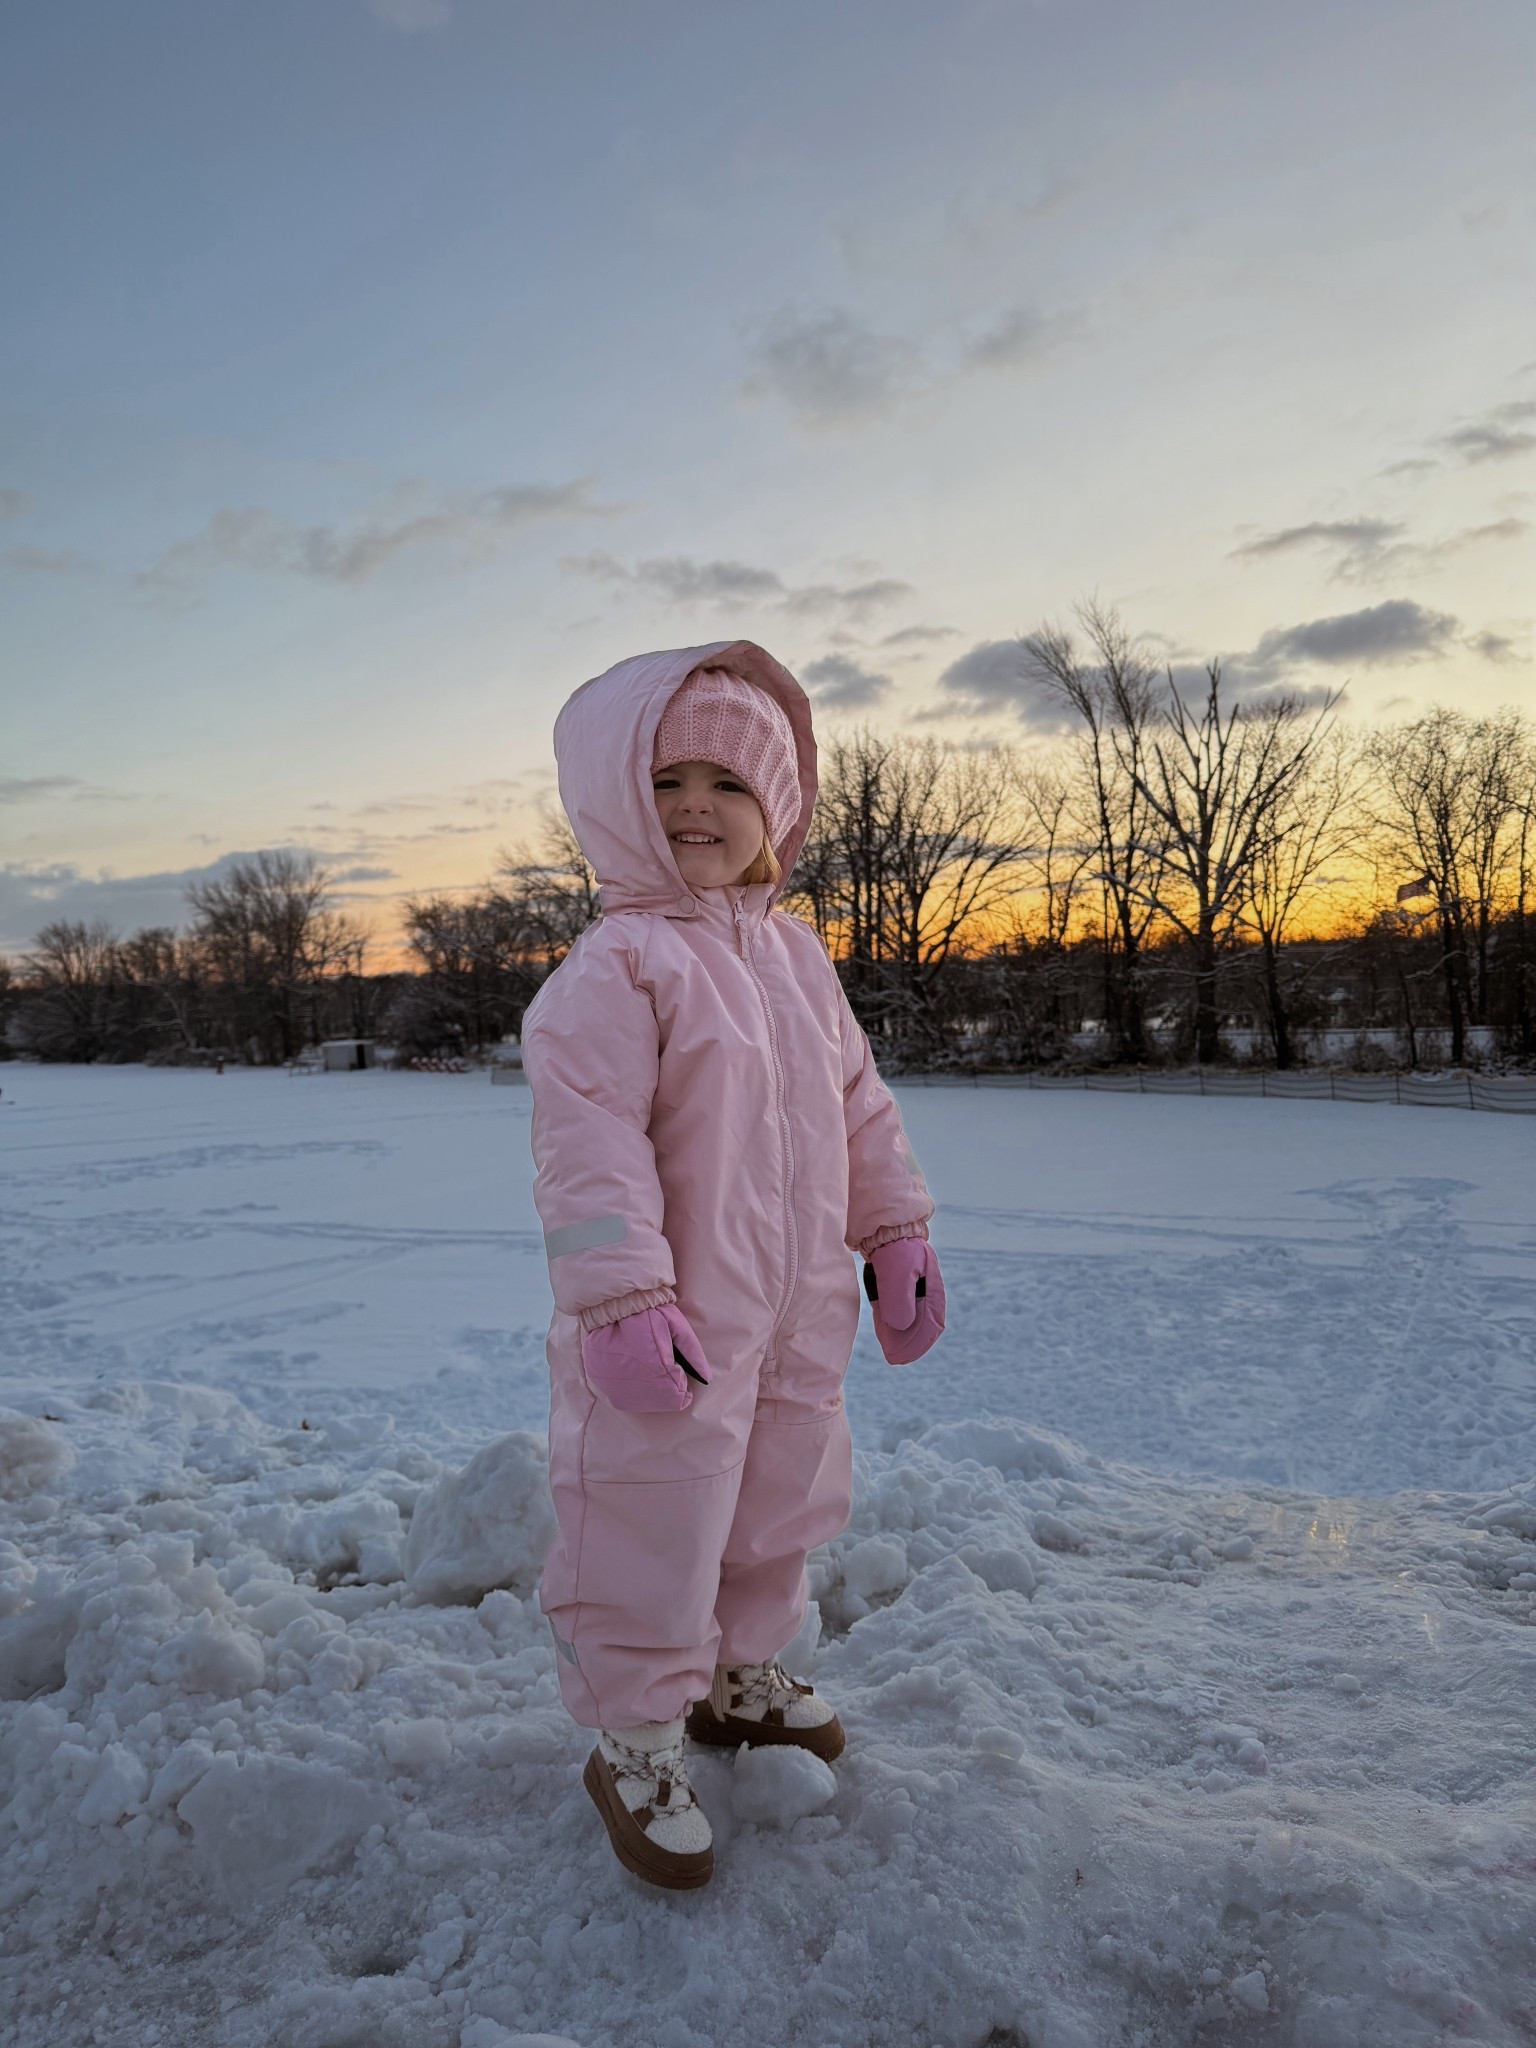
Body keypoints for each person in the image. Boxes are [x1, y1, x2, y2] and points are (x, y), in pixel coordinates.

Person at [521, 641, 945, 1891]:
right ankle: (636, 1732)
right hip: (672, 1325)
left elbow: (861, 1104)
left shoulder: (800, 961)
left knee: (778, 1502)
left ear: (778, 815)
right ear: (615, 801)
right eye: (667, 780)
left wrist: (896, 1226)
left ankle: (734, 1675)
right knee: (653, 1518)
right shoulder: (621, 968)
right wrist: (620, 1298)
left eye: (728, 782)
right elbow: (587, 1140)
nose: (697, 804)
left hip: (797, 1315)